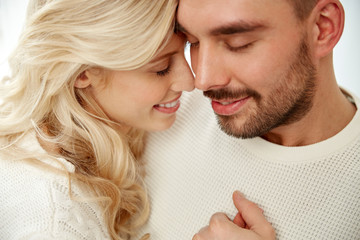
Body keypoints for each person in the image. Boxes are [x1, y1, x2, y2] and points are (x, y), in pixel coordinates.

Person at [135, 0, 360, 239]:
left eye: (237, 44)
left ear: (323, 27)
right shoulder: (159, 112)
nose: (202, 80)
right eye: (193, 42)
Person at [0, 0, 198, 239]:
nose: (190, 82)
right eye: (161, 68)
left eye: (188, 48)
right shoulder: (51, 224)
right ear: (82, 73)